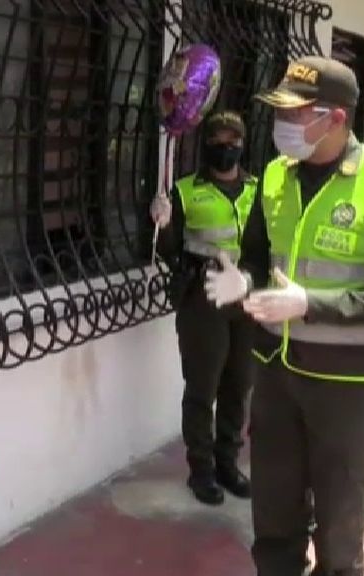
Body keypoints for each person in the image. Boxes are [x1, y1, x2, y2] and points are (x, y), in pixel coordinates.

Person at [203, 56, 364, 575]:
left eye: (297, 114)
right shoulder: (276, 177)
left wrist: (311, 305)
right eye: (281, 112)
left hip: (348, 383)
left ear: (336, 118)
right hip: (278, 373)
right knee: (274, 511)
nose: (284, 124)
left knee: (339, 520)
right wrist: (245, 283)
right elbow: (259, 258)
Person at [150, 111, 257, 505]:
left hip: (245, 295)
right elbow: (168, 251)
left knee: (239, 383)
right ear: (207, 144)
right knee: (203, 387)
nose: (225, 147)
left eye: (233, 140)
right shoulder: (184, 190)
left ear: (243, 144)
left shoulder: (258, 190)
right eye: (218, 140)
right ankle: (202, 470)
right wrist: (161, 223)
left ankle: (228, 463)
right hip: (203, 296)